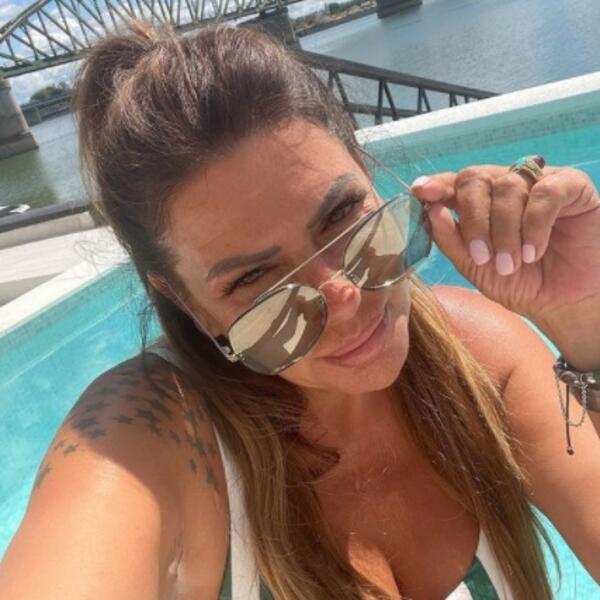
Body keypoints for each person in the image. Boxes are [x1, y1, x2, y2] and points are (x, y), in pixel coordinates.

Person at [1, 19, 599, 600]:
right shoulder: (154, 440)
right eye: (254, 278)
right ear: (187, 304)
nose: (343, 297)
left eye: (342, 216)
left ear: (367, 173)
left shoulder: (476, 354)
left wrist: (583, 317)